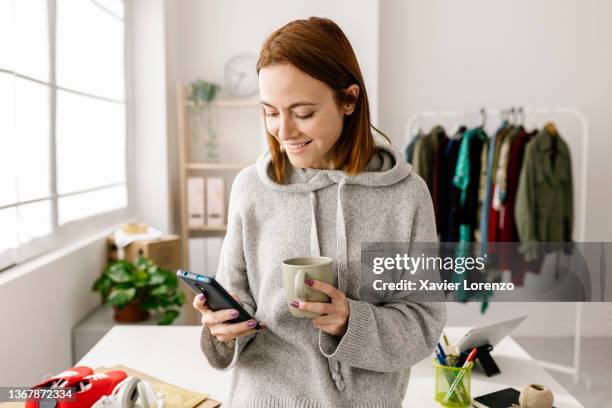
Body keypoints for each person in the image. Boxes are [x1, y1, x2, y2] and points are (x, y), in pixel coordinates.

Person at [193, 16, 446, 407]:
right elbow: (237, 300)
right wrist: (221, 327)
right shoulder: (251, 188)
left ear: (349, 99)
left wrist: (350, 321)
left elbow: (423, 324)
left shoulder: (406, 196)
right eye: (270, 111)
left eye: (303, 112)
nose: (283, 130)